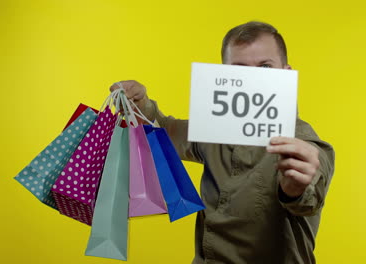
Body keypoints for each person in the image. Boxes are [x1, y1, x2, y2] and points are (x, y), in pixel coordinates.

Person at [111, 21, 335, 264]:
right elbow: (162, 134)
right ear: (223, 77)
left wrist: (296, 189)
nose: (253, 80)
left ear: (288, 74)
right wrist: (140, 107)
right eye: (239, 69)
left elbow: (312, 188)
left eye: (265, 67)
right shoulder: (213, 128)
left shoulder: (302, 139)